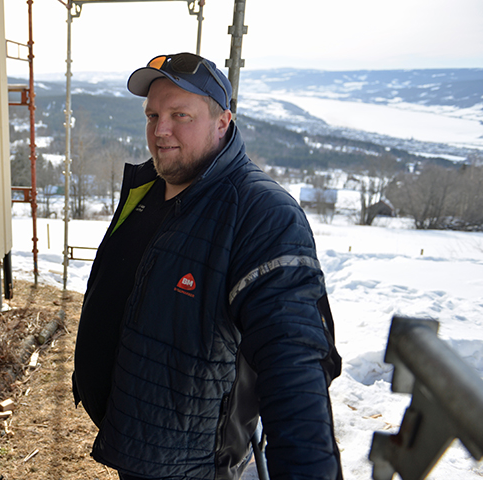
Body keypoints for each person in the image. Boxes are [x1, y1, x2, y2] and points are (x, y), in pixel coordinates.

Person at [72, 53, 343, 480]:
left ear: (223, 122)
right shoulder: (151, 188)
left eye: (181, 114)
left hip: (191, 463)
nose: (160, 130)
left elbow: (292, 362)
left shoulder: (261, 212)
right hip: (136, 441)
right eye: (153, 115)